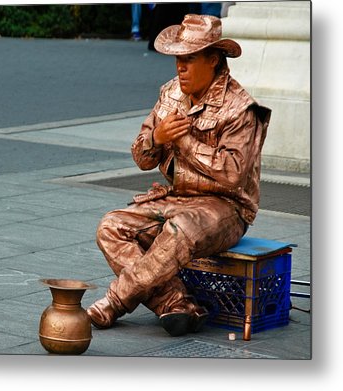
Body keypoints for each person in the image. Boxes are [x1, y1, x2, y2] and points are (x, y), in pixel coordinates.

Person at [87, 14, 271, 337]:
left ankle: (116, 299)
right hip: (177, 200)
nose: (179, 68)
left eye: (188, 59)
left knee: (178, 231)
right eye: (177, 59)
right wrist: (157, 138)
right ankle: (177, 304)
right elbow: (141, 157)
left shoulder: (241, 108)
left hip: (227, 207)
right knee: (110, 227)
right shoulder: (170, 93)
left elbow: (232, 175)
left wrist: (183, 142)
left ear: (213, 60)